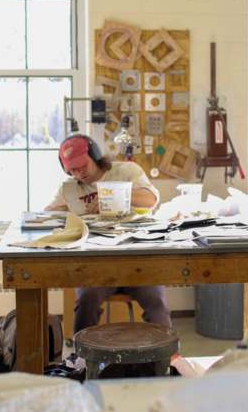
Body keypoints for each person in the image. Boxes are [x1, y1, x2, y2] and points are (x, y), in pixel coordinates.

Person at [46, 134, 172, 333]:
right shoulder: (70, 189)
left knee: (156, 301)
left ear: (95, 155)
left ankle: (168, 359)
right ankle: (81, 358)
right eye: (72, 170)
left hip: (136, 260)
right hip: (98, 265)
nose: (79, 174)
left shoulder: (127, 171)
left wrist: (114, 195)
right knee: (87, 299)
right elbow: (47, 215)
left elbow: (151, 200)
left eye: (82, 166)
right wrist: (65, 213)